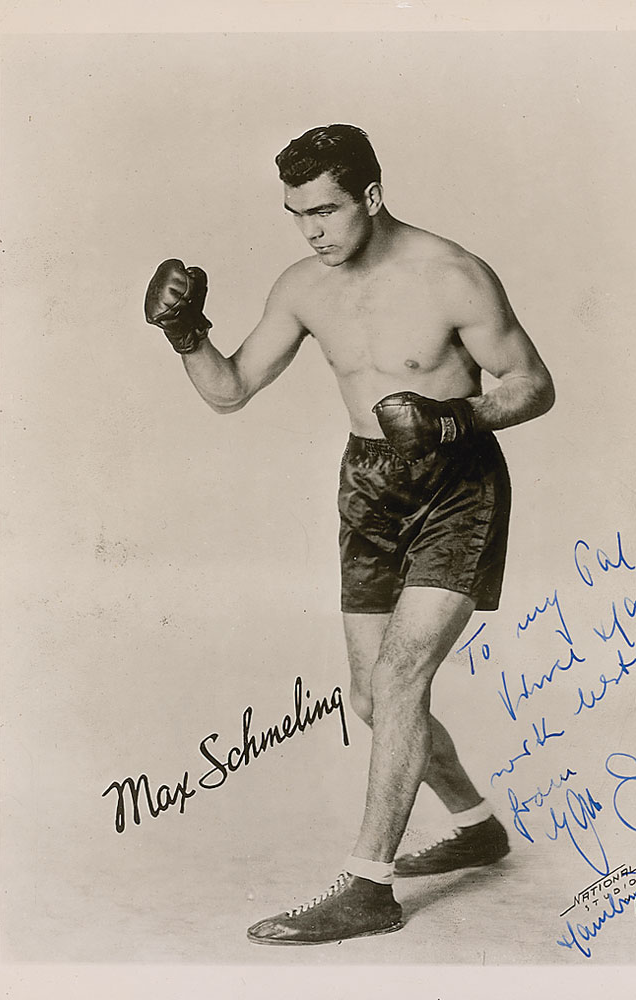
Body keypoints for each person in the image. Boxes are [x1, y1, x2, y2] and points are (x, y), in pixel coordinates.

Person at [144, 124, 555, 946]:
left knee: (400, 678)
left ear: (370, 195)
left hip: (457, 484)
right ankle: (476, 826)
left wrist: (452, 417)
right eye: (297, 215)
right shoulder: (304, 286)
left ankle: (368, 888)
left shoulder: (453, 274)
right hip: (367, 487)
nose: (312, 231)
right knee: (372, 700)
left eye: (326, 211)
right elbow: (229, 390)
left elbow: (534, 385)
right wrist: (186, 335)